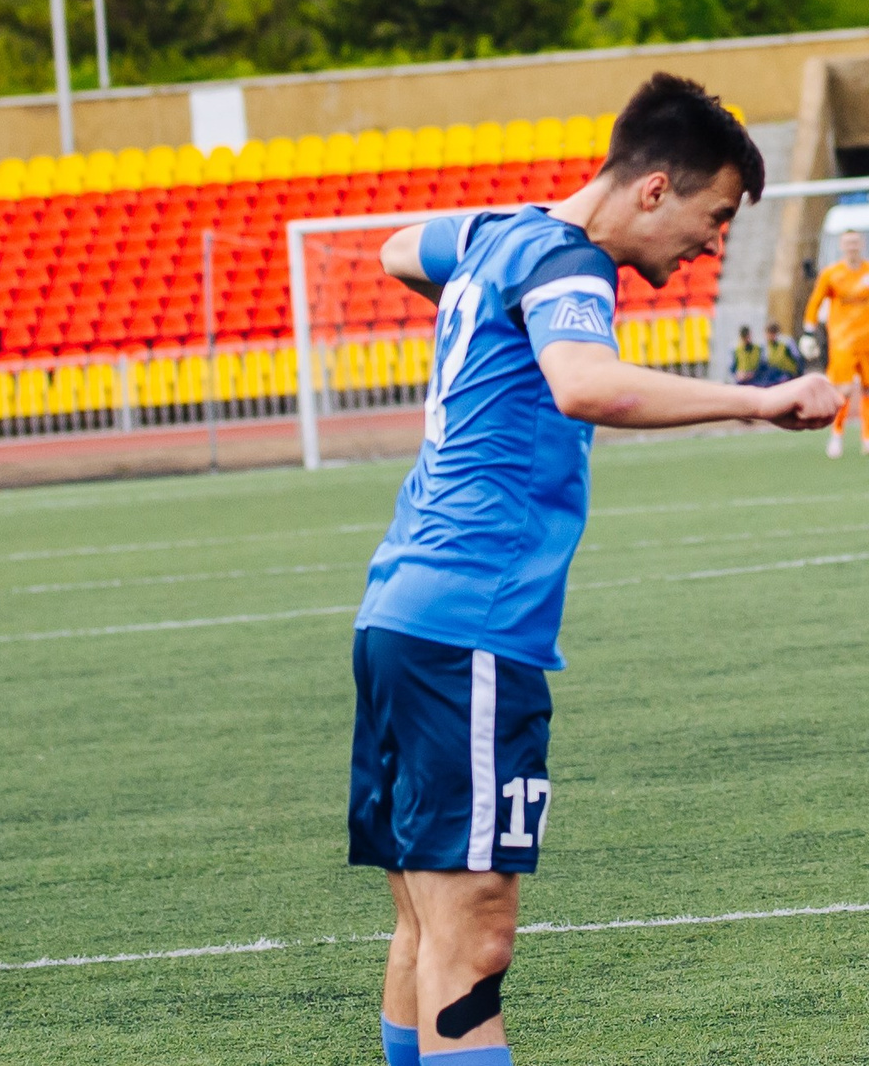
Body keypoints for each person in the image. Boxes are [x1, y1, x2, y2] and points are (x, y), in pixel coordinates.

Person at [351, 74, 839, 1066]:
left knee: (429, 929)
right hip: (471, 628)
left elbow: (401, 249)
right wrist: (757, 401)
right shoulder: (571, 264)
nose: (712, 250)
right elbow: (583, 383)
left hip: (402, 612)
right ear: (652, 189)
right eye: (712, 220)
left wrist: (491, 293)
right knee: (475, 940)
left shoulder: (505, 237)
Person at [804, 228, 869, 459]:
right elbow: (815, 303)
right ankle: (836, 435)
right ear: (841, 246)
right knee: (844, 390)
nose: (852, 247)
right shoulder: (831, 274)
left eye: (855, 242)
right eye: (848, 243)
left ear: (862, 244)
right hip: (843, 340)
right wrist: (808, 332)